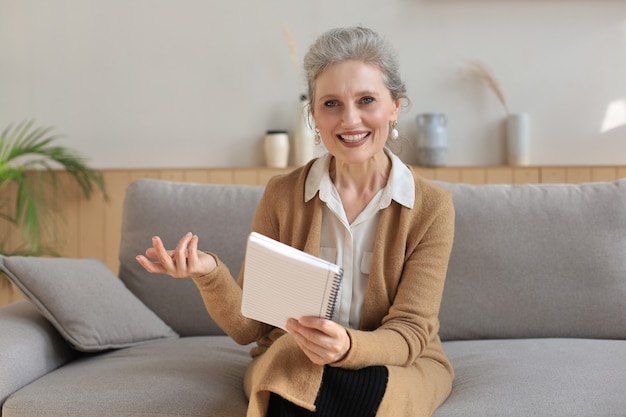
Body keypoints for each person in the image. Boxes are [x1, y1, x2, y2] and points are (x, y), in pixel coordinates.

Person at [136, 26, 455, 417]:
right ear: (314, 115)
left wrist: (348, 347)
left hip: (395, 362)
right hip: (296, 358)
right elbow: (249, 329)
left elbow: (409, 332)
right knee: (294, 361)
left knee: (362, 385)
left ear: (394, 107)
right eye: (331, 104)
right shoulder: (283, 194)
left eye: (367, 100)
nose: (349, 120)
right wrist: (208, 273)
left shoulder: (432, 207)